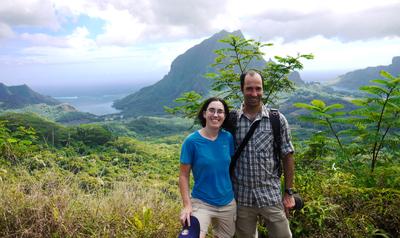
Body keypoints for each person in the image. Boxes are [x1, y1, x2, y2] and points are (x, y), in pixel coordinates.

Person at [231, 70, 295, 238]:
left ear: (263, 89)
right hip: (242, 197)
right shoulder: (232, 120)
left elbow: (287, 156)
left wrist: (288, 192)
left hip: (270, 194)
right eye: (249, 88)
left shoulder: (277, 119)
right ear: (242, 89)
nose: (254, 93)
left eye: (258, 89)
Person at [179, 97, 236, 238]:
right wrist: (187, 205)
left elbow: (231, 167)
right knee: (190, 236)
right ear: (204, 114)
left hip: (227, 203)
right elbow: (183, 175)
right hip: (201, 202)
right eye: (211, 110)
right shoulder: (191, 141)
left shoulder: (228, 138)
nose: (215, 115)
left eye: (220, 111)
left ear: (224, 116)